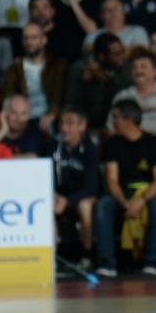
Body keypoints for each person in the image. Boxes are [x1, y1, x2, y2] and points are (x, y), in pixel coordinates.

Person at [95, 99, 156, 277]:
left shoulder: (153, 143)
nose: (113, 122)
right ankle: (107, 262)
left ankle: (152, 261)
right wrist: (125, 202)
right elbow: (111, 180)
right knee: (103, 205)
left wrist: (141, 202)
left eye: (116, 117)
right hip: (122, 194)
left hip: (147, 193)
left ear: (129, 119)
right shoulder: (112, 144)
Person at [51, 109, 103, 268]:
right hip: (60, 196)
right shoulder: (53, 146)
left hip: (85, 195)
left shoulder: (90, 149)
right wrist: (54, 196)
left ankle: (87, 255)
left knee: (84, 206)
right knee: (46, 206)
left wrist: (68, 201)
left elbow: (91, 188)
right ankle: (51, 258)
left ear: (82, 126)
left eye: (70, 124)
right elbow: (45, 175)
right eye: (62, 123)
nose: (64, 128)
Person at [1, 22, 67, 131]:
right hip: (24, 120)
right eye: (25, 38)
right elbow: (7, 97)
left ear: (44, 40)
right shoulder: (14, 70)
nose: (29, 42)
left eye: (34, 37)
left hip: (51, 118)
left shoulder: (57, 65)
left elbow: (59, 94)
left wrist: (53, 113)